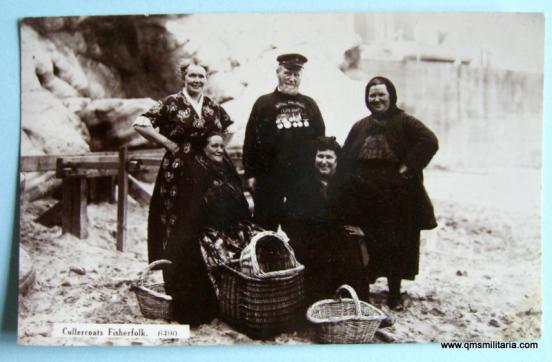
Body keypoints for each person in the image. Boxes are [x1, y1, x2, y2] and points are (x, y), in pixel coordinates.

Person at [334, 76, 439, 310]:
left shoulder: (405, 122)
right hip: (364, 198)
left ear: (391, 96)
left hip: (396, 197)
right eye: (372, 95)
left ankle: (394, 294)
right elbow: (346, 159)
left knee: (396, 242)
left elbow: (429, 140)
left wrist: (408, 165)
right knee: (366, 241)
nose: (377, 99)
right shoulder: (360, 126)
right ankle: (363, 290)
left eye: (381, 94)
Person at [133, 60, 233, 264]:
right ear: (184, 78)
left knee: (210, 213)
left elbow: (230, 129)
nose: (197, 80)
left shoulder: (213, 106)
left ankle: (210, 263)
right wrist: (167, 143)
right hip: (178, 168)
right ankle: (176, 266)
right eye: (192, 76)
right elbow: (140, 123)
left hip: (208, 170)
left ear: (206, 79)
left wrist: (217, 150)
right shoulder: (170, 103)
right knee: (177, 214)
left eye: (201, 76)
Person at [161, 132, 261, 325]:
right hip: (203, 229)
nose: (219, 150)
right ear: (204, 148)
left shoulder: (225, 167)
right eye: (214, 146)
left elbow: (237, 197)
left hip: (227, 226)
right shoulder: (196, 169)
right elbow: (194, 206)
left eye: (221, 146)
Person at [243, 53, 325, 230]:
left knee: (302, 230)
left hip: (302, 179)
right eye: (288, 73)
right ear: (278, 72)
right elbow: (250, 140)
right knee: (264, 230)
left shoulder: (310, 104)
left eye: (296, 74)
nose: (292, 78)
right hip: (269, 179)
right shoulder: (263, 103)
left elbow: (321, 139)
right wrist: (250, 174)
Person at [283, 137, 369, 305]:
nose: (323, 162)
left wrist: (365, 230)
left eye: (329, 157)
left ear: (337, 160)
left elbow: (377, 208)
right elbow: (288, 219)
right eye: (320, 156)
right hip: (312, 245)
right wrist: (302, 239)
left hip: (343, 243)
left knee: (351, 282)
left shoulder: (352, 184)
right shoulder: (302, 186)